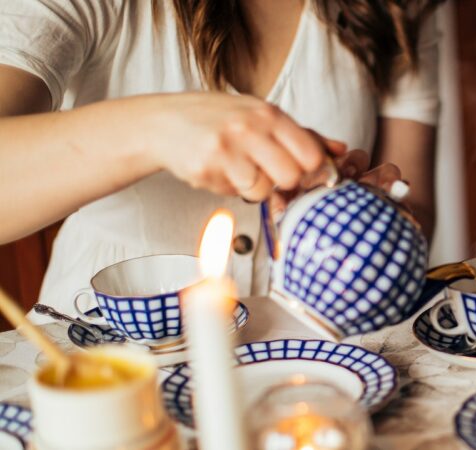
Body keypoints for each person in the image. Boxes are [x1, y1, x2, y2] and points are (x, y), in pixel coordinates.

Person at [0, 0, 442, 319]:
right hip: (104, 355)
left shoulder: (396, 9)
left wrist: (365, 219)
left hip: (304, 353)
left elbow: (412, 201)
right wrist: (158, 128)